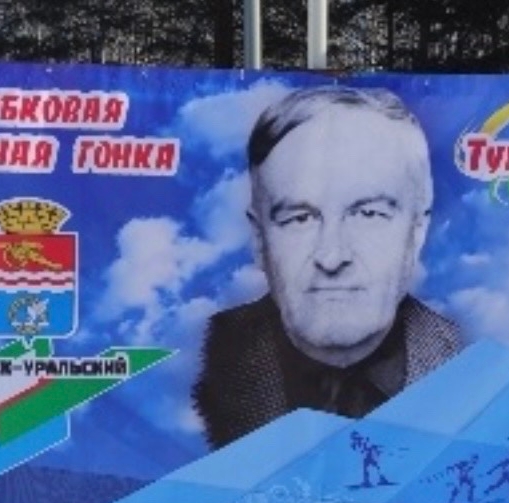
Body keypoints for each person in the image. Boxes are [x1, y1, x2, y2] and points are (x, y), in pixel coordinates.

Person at [192, 86, 463, 450]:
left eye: (368, 214)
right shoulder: (202, 362)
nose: (332, 257)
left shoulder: (473, 366)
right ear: (259, 238)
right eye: (300, 218)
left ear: (417, 231)